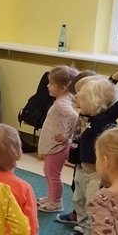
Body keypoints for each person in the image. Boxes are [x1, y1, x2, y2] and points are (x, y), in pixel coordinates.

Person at [63, 76, 118, 235]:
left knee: (92, 204)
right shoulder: (87, 116)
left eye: (83, 97)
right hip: (82, 170)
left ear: (95, 103)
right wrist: (114, 78)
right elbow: (103, 90)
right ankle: (84, 228)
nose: (77, 98)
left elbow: (115, 106)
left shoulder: (101, 121)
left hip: (95, 175)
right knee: (78, 199)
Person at [55, 71, 99, 227]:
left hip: (89, 165)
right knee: (77, 190)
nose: (75, 97)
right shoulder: (83, 112)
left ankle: (86, 226)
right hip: (78, 159)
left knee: (87, 196)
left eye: (80, 94)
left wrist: (116, 79)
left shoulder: (98, 118)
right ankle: (79, 217)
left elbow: (108, 96)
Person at [38, 65, 80, 213]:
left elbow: (73, 116)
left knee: (53, 174)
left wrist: (67, 135)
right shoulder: (61, 100)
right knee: (48, 171)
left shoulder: (62, 103)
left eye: (51, 83)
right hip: (54, 145)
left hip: (58, 147)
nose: (48, 86)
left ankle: (56, 202)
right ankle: (51, 197)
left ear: (62, 88)